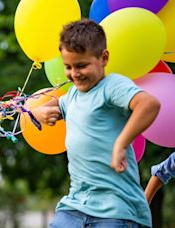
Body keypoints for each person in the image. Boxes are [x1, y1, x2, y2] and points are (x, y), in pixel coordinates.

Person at [33, 19, 160, 228]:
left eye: (82, 65)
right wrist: (38, 112)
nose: (74, 74)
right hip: (75, 205)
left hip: (116, 209)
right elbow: (50, 104)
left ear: (104, 58)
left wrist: (121, 143)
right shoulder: (73, 95)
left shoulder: (111, 86)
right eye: (68, 67)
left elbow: (149, 104)